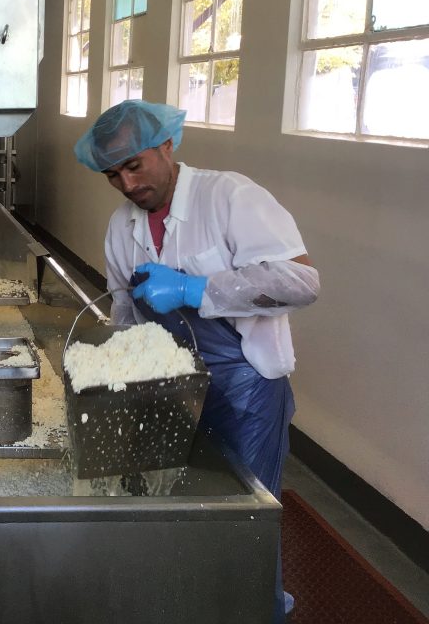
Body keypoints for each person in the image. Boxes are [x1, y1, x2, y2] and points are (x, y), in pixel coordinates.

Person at [74, 100, 320, 624]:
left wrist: (196, 287)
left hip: (244, 388)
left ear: (167, 145)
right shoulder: (123, 226)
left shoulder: (228, 197)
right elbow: (123, 312)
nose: (126, 184)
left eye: (134, 165)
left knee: (243, 517)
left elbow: (300, 283)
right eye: (112, 174)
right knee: (179, 506)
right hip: (170, 390)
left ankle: (256, 608)